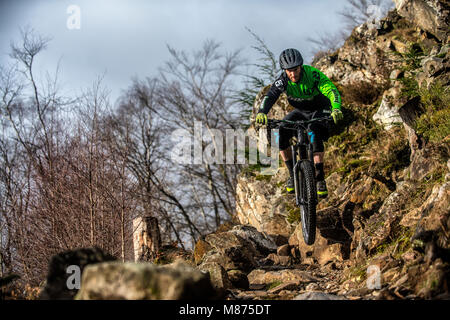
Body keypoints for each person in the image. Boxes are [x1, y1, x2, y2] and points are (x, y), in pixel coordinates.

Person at [255, 48, 343, 198]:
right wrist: (262, 112)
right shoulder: (282, 80)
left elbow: (331, 90)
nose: (293, 74)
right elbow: (270, 96)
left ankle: (320, 177)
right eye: (289, 71)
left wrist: (335, 108)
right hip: (301, 111)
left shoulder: (312, 74)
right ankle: (291, 174)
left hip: (320, 109)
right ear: (284, 70)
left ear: (301, 66)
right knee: (281, 130)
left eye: (295, 69)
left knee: (313, 130)